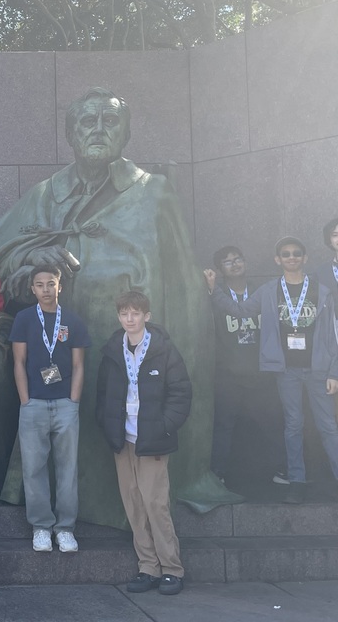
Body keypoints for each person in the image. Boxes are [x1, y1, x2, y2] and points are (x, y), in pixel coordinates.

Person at [0, 87, 230, 524]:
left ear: (126, 132)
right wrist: (34, 261)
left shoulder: (155, 193)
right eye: (86, 122)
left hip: (126, 342)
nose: (97, 129)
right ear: (71, 135)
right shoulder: (45, 195)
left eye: (109, 121)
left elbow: (186, 293)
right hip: (54, 343)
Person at [204, 237, 338, 504]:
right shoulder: (269, 290)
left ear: (304, 257)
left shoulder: (322, 291)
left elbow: (332, 334)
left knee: (328, 426)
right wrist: (213, 290)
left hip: (318, 369)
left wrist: (334, 371)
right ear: (278, 260)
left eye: (296, 253)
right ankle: (296, 481)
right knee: (293, 425)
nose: (291, 257)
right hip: (285, 369)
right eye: (286, 254)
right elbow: (239, 311)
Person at [96, 290, 191, 596]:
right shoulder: (113, 350)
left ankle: (172, 569)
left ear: (147, 316)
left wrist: (163, 427)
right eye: (124, 313)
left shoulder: (163, 350)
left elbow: (180, 392)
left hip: (153, 439)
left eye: (136, 313)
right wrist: (108, 425)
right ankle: (147, 567)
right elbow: (103, 395)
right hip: (124, 439)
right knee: (134, 504)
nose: (130, 319)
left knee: (155, 503)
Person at [10, 265, 89, 553]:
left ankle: (65, 528)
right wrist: (25, 400)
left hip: (66, 404)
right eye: (40, 284)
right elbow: (18, 362)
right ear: (32, 289)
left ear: (60, 287)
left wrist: (74, 401)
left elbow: (79, 365)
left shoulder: (73, 320)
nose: (46, 289)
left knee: (67, 468)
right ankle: (42, 526)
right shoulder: (24, 319)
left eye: (51, 283)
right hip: (34, 404)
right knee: (34, 468)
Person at [207, 245, 285, 487]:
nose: (235, 264)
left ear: (246, 262)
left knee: (273, 422)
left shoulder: (263, 291)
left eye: (238, 259)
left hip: (261, 371)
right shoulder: (213, 294)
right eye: (228, 262)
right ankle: (216, 474)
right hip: (228, 373)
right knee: (223, 425)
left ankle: (283, 471)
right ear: (219, 269)